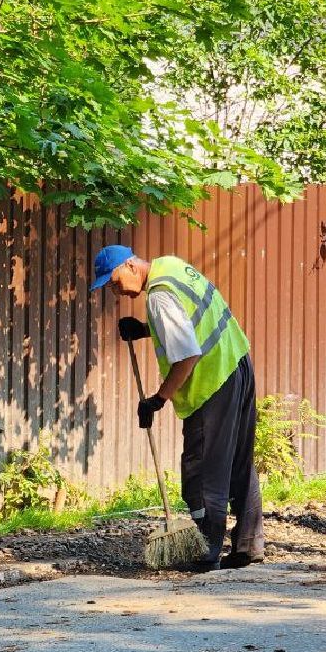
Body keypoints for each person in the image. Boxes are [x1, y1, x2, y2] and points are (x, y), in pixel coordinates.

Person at [90, 244, 263, 570]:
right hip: (237, 362)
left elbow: (187, 355)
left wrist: (158, 399)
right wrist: (145, 330)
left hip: (212, 381)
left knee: (202, 470)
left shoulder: (158, 297)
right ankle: (247, 546)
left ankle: (205, 552)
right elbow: (189, 322)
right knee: (238, 462)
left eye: (114, 282)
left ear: (130, 266)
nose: (116, 292)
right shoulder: (170, 266)